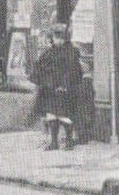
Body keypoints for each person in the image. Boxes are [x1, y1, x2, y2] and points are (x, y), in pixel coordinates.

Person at [32, 19, 86, 150]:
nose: (59, 40)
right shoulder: (48, 53)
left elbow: (74, 71)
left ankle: (69, 140)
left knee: (64, 115)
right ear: (52, 38)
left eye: (61, 37)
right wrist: (42, 81)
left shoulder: (71, 53)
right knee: (51, 115)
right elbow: (40, 67)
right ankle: (54, 141)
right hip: (50, 89)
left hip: (64, 89)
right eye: (56, 37)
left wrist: (65, 85)